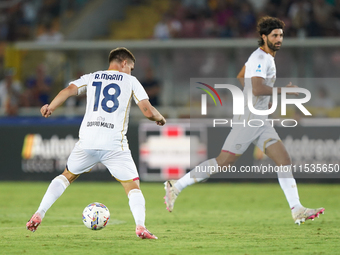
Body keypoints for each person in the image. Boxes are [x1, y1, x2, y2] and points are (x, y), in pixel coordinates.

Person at [164, 16, 324, 225]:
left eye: (281, 35)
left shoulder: (262, 58)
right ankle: (175, 186)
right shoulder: (260, 58)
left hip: (260, 120)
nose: (279, 39)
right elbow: (256, 87)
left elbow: (242, 77)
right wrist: (280, 92)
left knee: (283, 159)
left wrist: (259, 98)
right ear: (264, 36)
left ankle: (297, 209)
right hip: (249, 119)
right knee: (223, 162)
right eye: (275, 35)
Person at [26, 47, 166, 239]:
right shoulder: (131, 81)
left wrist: (50, 107)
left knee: (66, 176)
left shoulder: (91, 77)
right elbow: (148, 111)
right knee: (132, 186)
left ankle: (39, 213)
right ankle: (140, 227)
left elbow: (68, 90)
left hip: (88, 140)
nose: (131, 72)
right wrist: (160, 118)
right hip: (114, 144)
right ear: (124, 63)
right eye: (131, 68)